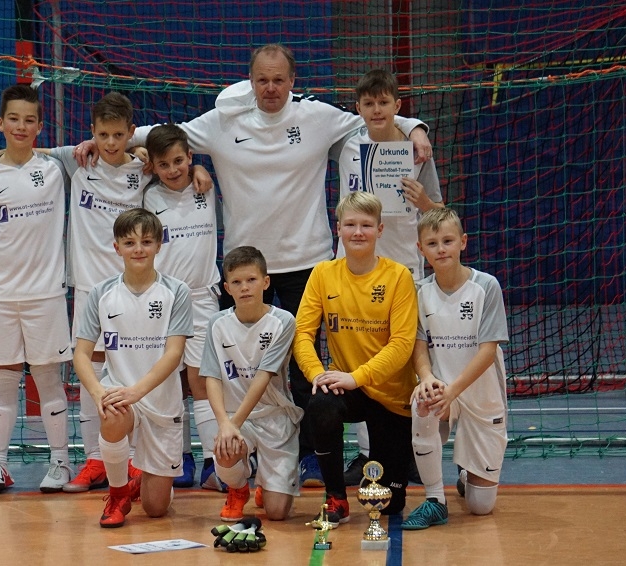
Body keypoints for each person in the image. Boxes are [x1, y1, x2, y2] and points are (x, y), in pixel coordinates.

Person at [75, 44, 432, 486]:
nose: (271, 88)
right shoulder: (222, 122)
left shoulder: (317, 117)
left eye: (279, 80)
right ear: (250, 81)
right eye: (262, 80)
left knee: (302, 368)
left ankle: (308, 456)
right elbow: (166, 135)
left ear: (292, 82)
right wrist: (107, 142)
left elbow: (373, 117)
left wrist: (415, 127)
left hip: (306, 263)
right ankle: (236, 454)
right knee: (239, 368)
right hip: (244, 268)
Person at [0, 95, 211, 493]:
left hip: (133, 288)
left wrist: (197, 168)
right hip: (87, 286)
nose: (110, 143)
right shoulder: (76, 161)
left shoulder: (144, 171)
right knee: (92, 374)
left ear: (131, 133)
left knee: (135, 371)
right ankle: (96, 459)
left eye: (118, 135)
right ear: (92, 133)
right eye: (103, 135)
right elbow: (29, 149)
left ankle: (134, 461)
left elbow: (175, 172)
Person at [334, 69, 444, 486]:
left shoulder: (417, 153)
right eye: (369, 103)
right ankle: (367, 454)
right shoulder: (346, 145)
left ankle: (409, 449)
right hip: (354, 270)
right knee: (359, 358)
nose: (376, 110)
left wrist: (425, 201)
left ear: (397, 106)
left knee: (408, 359)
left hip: (404, 270)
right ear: (358, 108)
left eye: (384, 103)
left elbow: (440, 214)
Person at [0, 84, 74, 494]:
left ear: (41, 127)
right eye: (13, 119)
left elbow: (106, 145)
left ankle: (60, 463)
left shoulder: (57, 166)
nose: (21, 126)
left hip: (45, 294)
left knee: (48, 381)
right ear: (0, 122)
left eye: (30, 120)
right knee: (4, 381)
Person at [293, 191, 418, 525]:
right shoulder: (323, 274)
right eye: (350, 225)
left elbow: (402, 344)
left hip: (390, 395)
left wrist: (356, 376)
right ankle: (335, 496)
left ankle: (378, 478)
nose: (358, 232)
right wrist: (316, 373)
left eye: (366, 225)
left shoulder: (398, 277)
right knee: (321, 402)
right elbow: (302, 333)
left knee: (388, 505)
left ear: (380, 230)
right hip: (347, 387)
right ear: (338, 229)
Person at [73, 208, 193, 528]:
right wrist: (99, 393)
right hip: (119, 390)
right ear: (117, 248)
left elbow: (174, 353)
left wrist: (137, 391)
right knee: (112, 413)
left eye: (146, 241)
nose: (138, 249)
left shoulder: (176, 292)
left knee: (155, 509)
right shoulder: (101, 293)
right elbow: (81, 354)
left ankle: (145, 480)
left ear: (159, 245)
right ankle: (118, 494)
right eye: (129, 242)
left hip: (161, 401)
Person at [402, 207, 509, 530]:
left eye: (448, 241)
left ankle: (467, 473)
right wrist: (427, 378)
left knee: (480, 507)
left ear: (463, 242)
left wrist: (454, 391)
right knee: (422, 404)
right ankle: (435, 500)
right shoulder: (419, 292)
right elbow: (419, 346)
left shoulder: (486, 286)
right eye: (432, 243)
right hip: (443, 388)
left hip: (481, 394)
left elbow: (488, 351)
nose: (441, 249)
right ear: (420, 249)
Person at [142, 124, 224, 490]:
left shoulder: (206, 186)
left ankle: (213, 461)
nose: (173, 169)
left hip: (203, 298)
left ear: (190, 157)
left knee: (202, 379)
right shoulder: (148, 197)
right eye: (164, 164)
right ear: (153, 166)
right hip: (163, 299)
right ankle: (178, 458)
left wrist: (200, 169)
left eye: (179, 161)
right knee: (170, 381)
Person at [201, 246, 302, 522]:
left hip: (275, 416)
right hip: (236, 417)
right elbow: (212, 376)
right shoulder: (217, 323)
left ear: (266, 282)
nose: (244, 287)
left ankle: (268, 486)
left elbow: (263, 376)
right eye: (236, 282)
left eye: (251, 280)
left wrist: (232, 425)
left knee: (277, 513)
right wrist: (226, 423)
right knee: (226, 449)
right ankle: (238, 488)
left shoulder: (283, 321)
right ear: (227, 288)